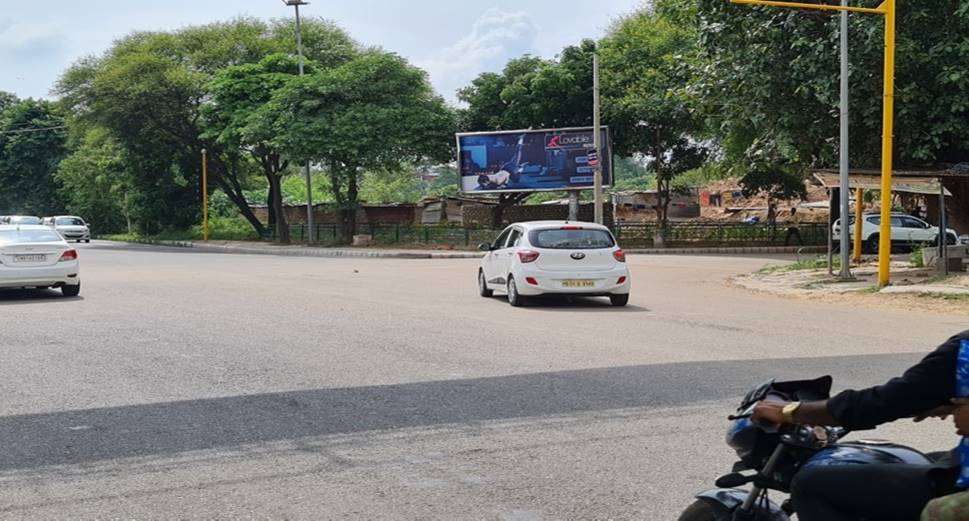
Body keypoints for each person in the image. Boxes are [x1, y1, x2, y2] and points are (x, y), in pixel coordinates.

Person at [752, 330, 969, 521]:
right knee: (912, 461)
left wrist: (789, 411)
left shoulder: (964, 349)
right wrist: (940, 403)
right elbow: (914, 394)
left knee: (812, 485)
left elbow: (883, 402)